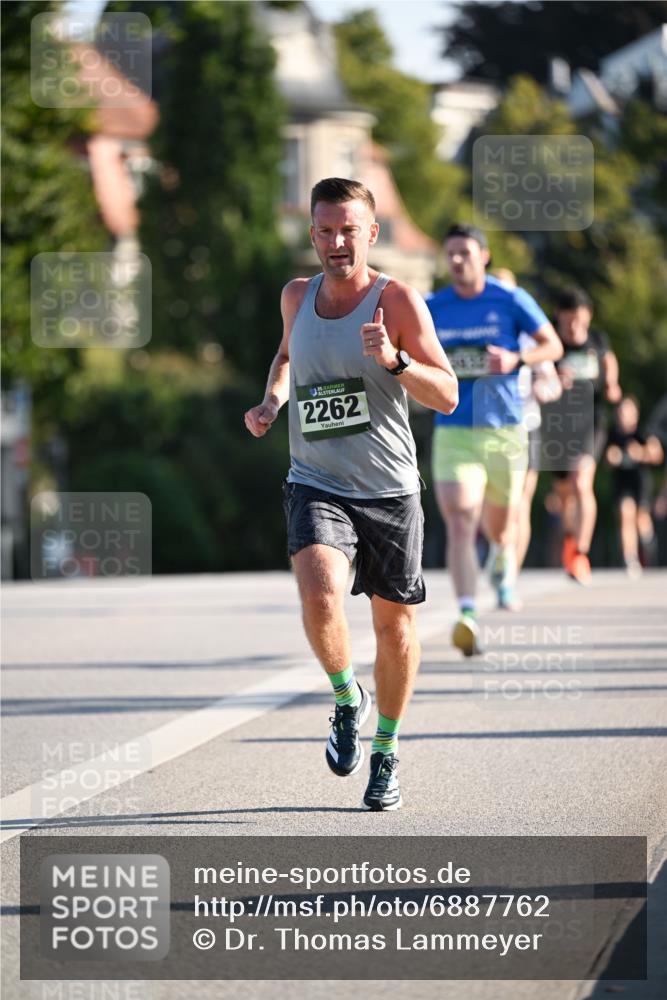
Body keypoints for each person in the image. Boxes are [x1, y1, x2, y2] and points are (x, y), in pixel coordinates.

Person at [244, 178, 457, 810]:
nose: (337, 242)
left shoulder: (398, 300)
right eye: (326, 231)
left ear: (372, 233)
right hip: (316, 481)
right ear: (312, 234)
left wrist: (396, 362)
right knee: (319, 593)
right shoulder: (296, 296)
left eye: (349, 230)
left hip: (390, 490)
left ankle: (385, 750)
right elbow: (286, 356)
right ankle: (346, 697)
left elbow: (447, 394)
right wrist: (271, 402)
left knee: (395, 628)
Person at [426, 224, 562, 656]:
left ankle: (503, 556)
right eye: (450, 253)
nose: (457, 260)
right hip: (453, 430)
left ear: (483, 256)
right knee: (461, 521)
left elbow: (553, 345)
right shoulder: (432, 306)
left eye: (465, 252)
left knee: (501, 527)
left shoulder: (510, 299)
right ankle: (467, 613)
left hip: (505, 429)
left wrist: (517, 358)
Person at [541, 287, 622, 584]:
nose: (574, 326)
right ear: (559, 317)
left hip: (591, 422)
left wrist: (612, 384)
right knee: (564, 495)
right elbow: (538, 374)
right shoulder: (551, 343)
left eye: (580, 319)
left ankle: (580, 553)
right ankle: (570, 538)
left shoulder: (598, 341)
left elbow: (609, 361)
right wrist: (552, 380)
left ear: (588, 317)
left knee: (581, 482)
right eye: (569, 320)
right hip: (557, 425)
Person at [491, 269, 562, 571]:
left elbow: (553, 383)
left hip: (525, 426)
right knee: (491, 502)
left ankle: (510, 573)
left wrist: (542, 388)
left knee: (520, 501)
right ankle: (498, 551)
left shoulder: (530, 338)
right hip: (485, 428)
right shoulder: (480, 332)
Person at [606, 396, 663, 576]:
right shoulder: (613, 434)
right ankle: (630, 558)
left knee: (641, 519)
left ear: (635, 414)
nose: (624, 415)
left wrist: (640, 453)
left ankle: (649, 547)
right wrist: (613, 457)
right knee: (626, 515)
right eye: (621, 412)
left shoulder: (643, 433)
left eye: (628, 412)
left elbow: (657, 455)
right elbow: (607, 458)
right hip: (622, 482)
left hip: (640, 482)